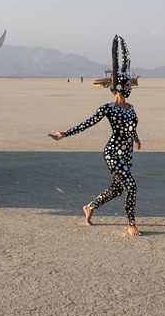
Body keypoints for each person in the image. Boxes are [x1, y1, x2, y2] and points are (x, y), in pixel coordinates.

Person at [49, 36, 142, 236]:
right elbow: (87, 123)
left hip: (127, 154)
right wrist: (64, 134)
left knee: (117, 189)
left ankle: (89, 207)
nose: (131, 86)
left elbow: (131, 127)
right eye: (128, 84)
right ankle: (131, 224)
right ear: (119, 86)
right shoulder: (108, 108)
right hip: (112, 153)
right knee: (131, 186)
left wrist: (136, 140)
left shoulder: (131, 107)